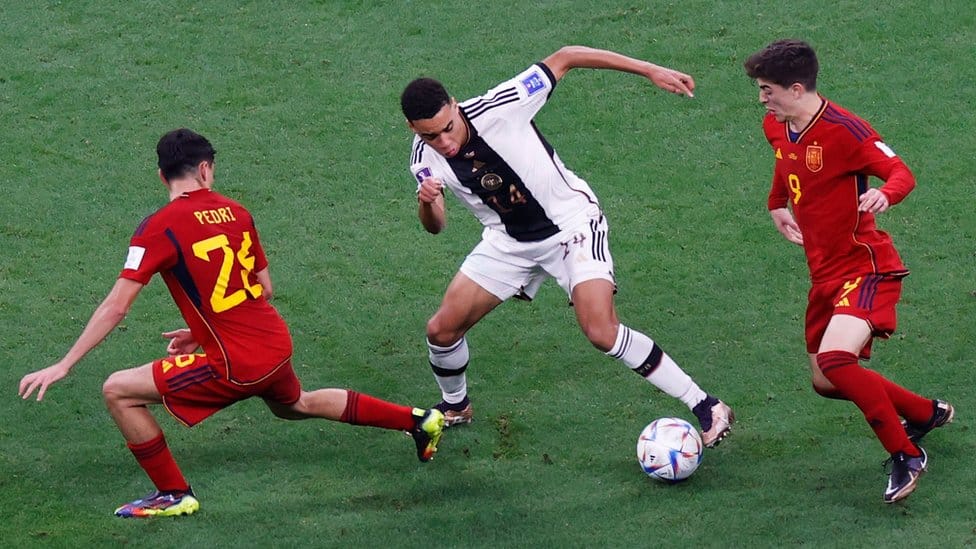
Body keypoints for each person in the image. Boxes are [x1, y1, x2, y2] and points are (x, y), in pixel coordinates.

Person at [18, 128, 445, 518]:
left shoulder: (158, 227)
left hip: (237, 362)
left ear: (162, 176)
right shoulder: (236, 212)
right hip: (274, 343)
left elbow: (117, 306)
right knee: (295, 404)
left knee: (118, 391)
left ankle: (173, 494)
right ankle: (418, 420)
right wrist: (200, 332)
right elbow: (264, 287)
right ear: (205, 169)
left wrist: (64, 364)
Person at [399, 46, 734, 448]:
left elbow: (567, 56)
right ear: (412, 127)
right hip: (509, 243)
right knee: (441, 330)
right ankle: (456, 405)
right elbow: (435, 226)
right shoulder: (423, 159)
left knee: (601, 331)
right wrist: (426, 202)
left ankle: (706, 404)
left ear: (455, 106)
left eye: (448, 128)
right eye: (430, 135)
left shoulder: (502, 105)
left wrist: (649, 69)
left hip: (571, 227)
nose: (445, 142)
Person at [743, 39, 954, 503]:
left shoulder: (846, 130)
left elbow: (901, 172)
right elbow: (785, 160)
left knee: (838, 361)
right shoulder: (776, 125)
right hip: (824, 276)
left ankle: (906, 455)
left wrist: (885, 194)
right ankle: (924, 413)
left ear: (796, 89)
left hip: (866, 266)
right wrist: (777, 203)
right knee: (825, 380)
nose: (761, 99)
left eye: (767, 90)